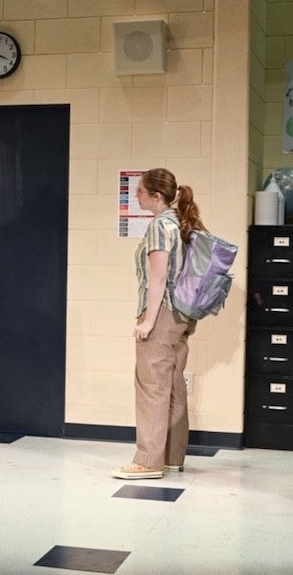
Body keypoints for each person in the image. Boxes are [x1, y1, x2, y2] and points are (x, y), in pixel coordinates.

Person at [112, 168, 204, 479]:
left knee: (151, 385)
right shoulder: (180, 222)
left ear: (156, 196)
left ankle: (148, 461)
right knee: (174, 385)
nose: (135, 195)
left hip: (163, 312)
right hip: (182, 314)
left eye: (140, 191)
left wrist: (148, 321)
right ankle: (172, 456)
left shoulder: (159, 226)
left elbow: (159, 276)